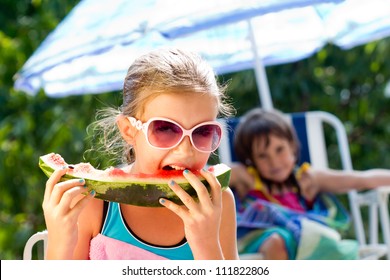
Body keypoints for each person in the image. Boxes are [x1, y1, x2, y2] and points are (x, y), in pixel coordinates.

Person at [42, 48, 239, 260]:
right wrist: (60, 242)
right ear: (129, 130)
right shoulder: (92, 202)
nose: (185, 149)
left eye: (203, 131)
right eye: (165, 128)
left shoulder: (218, 202)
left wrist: (207, 245)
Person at [229, 107, 390, 260]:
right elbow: (210, 174)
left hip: (306, 243)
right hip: (263, 240)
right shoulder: (247, 179)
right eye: (263, 156)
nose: (274, 161)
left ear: (292, 146)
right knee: (277, 240)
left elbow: (361, 179)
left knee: (318, 237)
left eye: (280, 150)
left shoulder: (307, 180)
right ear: (251, 160)